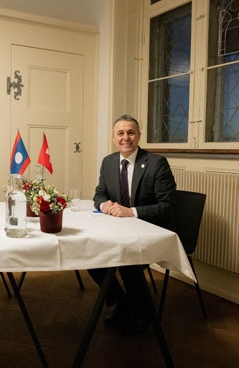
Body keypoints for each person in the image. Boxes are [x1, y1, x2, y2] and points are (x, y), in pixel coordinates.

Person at [89, 114, 176, 336]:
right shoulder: (108, 162)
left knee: (126, 260)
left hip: (150, 230)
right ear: (113, 137)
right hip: (119, 230)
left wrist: (131, 212)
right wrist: (104, 205)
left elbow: (167, 206)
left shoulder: (156, 163)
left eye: (131, 132)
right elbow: (99, 194)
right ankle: (121, 301)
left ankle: (144, 314)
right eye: (120, 133)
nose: (125, 137)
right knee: (90, 255)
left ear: (138, 136)